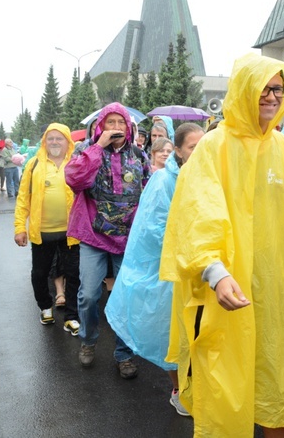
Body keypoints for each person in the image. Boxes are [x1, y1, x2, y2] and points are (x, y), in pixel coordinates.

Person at [159, 53, 284, 437]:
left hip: (277, 291)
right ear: (244, 89)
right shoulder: (213, 147)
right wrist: (215, 271)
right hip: (226, 289)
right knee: (226, 382)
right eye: (263, 87)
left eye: (278, 88)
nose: (271, 96)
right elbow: (198, 214)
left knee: (277, 380)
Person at [107, 122, 204, 416]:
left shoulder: (205, 176)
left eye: (204, 147)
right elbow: (157, 230)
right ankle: (178, 389)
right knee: (171, 333)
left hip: (200, 267)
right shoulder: (164, 181)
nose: (199, 153)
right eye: (192, 147)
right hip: (171, 271)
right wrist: (191, 255)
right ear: (177, 150)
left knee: (198, 333)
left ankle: (197, 387)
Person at [65, 103, 151, 377]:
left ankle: (124, 354)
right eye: (110, 122)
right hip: (93, 233)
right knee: (89, 294)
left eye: (120, 123)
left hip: (128, 238)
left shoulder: (139, 155)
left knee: (126, 298)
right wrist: (97, 146)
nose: (116, 128)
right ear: (101, 125)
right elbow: (74, 179)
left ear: (128, 127)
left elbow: (148, 192)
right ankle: (88, 341)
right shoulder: (86, 150)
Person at [15, 123, 81, 334]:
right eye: (50, 138)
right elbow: (23, 198)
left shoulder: (76, 163)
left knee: (74, 274)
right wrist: (20, 227)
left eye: (59, 138)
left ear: (67, 141)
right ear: (44, 141)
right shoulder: (33, 164)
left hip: (71, 233)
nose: (54, 142)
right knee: (39, 273)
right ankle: (45, 307)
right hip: (41, 232)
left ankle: (71, 316)